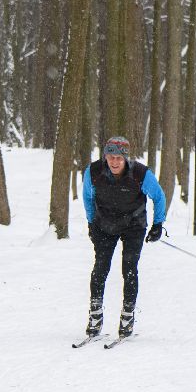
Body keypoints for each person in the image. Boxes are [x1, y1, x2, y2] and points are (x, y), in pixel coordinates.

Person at [82, 136, 167, 339]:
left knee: (129, 268)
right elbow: (88, 197)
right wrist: (91, 222)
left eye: (119, 158)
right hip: (105, 223)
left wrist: (157, 224)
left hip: (133, 225)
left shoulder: (140, 173)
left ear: (126, 158)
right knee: (100, 267)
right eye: (111, 157)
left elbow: (159, 196)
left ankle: (127, 314)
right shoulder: (93, 172)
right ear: (105, 156)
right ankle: (95, 314)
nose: (114, 162)